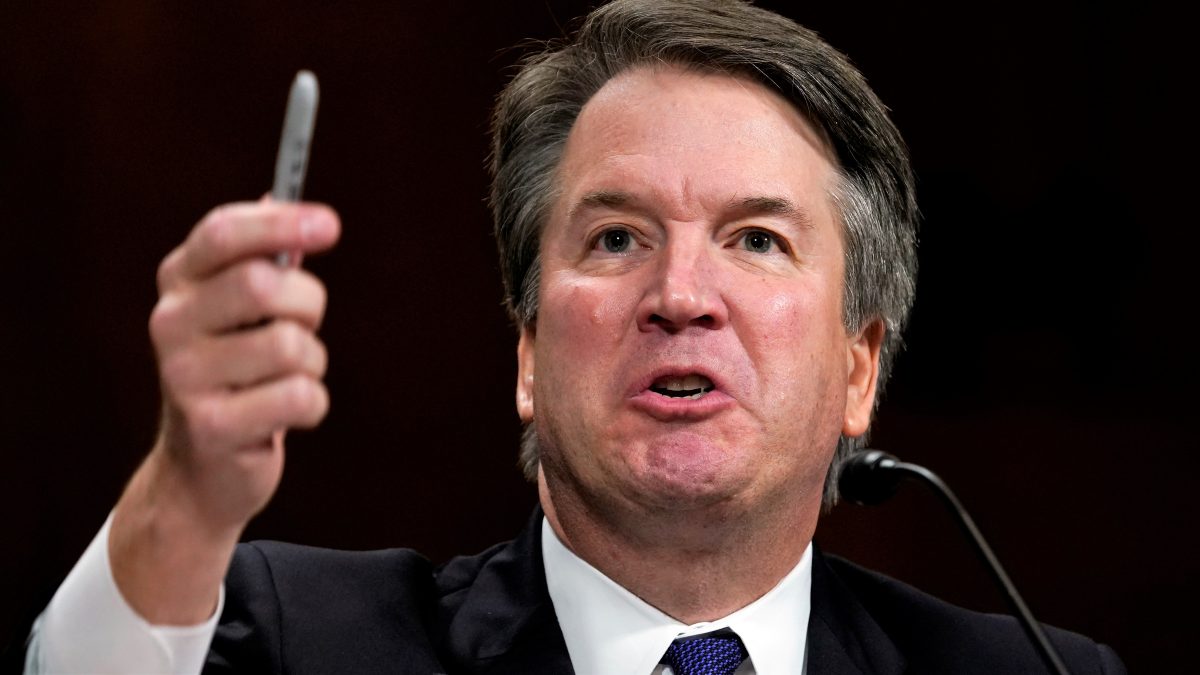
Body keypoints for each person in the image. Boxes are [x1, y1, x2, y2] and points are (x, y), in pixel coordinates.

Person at [25, 1, 1125, 673]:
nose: (681, 295)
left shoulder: (1030, 669)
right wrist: (185, 493)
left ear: (858, 369)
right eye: (614, 238)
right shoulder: (299, 639)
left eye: (753, 239)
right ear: (526, 357)